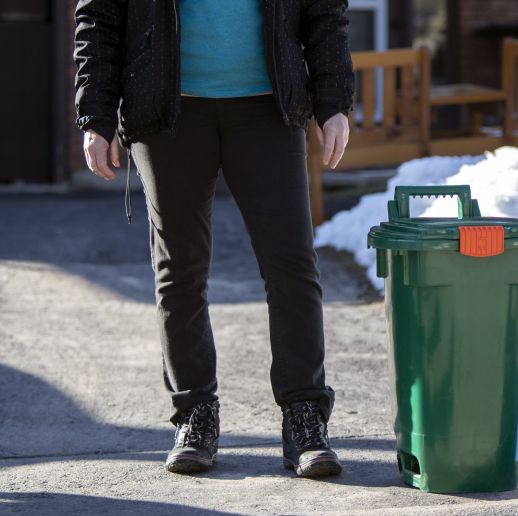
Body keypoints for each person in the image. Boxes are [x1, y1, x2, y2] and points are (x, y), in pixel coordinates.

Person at [74, 0, 354, 478]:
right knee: (179, 269)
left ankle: (304, 416)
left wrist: (333, 102)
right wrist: (95, 114)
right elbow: (98, 19)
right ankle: (194, 415)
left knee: (292, 266)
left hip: (269, 108)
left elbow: (324, 14)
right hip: (166, 111)